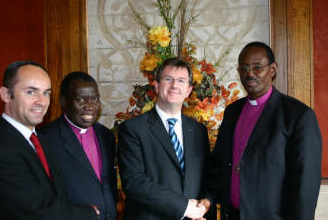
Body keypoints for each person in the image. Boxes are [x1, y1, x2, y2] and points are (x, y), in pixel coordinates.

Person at [209, 42, 322, 219]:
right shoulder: (232, 111)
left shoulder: (298, 115)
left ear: (273, 69)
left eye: (257, 67)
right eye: (244, 68)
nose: (250, 74)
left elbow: (305, 184)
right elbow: (219, 163)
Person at [0, 61, 98, 219]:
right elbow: (35, 213)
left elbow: (56, 197)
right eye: (30, 92)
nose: (41, 101)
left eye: (46, 93)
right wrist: (89, 213)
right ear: (5, 94)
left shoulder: (41, 140)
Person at [118, 58, 211, 220]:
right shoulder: (133, 129)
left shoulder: (198, 131)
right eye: (168, 79)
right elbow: (135, 183)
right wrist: (184, 207)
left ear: (188, 90)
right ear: (156, 85)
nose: (175, 85)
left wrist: (207, 202)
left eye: (181, 81)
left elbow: (207, 175)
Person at [39, 71, 117, 220]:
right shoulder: (46, 139)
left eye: (94, 99)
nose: (89, 106)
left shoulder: (107, 136)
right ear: (63, 101)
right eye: (80, 100)